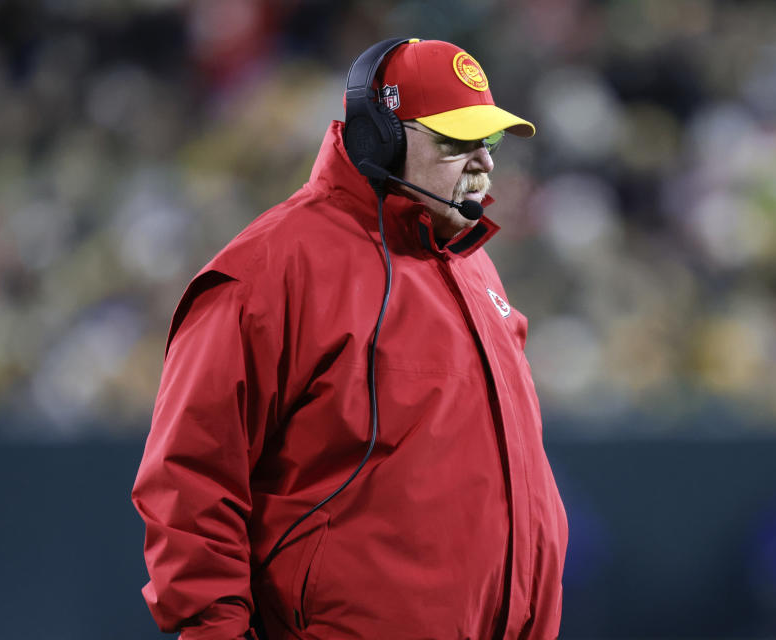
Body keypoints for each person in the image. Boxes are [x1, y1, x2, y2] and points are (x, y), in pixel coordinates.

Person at [132, 37, 568, 640]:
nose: (485, 163)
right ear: (378, 138)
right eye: (456, 143)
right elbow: (191, 476)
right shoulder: (273, 266)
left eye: (487, 142)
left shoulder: (471, 266)